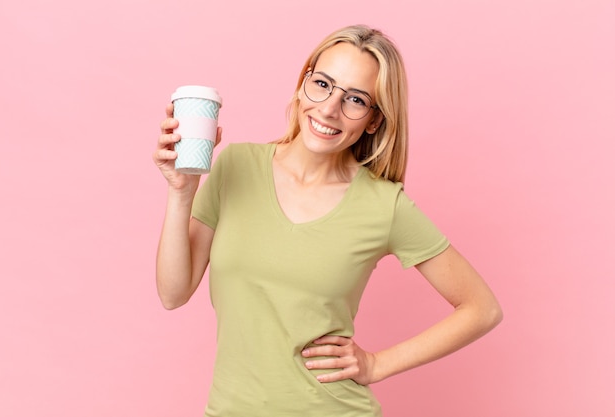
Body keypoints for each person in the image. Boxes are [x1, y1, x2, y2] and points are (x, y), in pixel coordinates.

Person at [153, 24, 503, 417]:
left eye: (355, 99)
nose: (329, 109)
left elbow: (482, 309)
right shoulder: (236, 166)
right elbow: (173, 293)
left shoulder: (383, 205)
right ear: (303, 84)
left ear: (373, 120)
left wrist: (377, 364)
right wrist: (181, 191)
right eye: (322, 84)